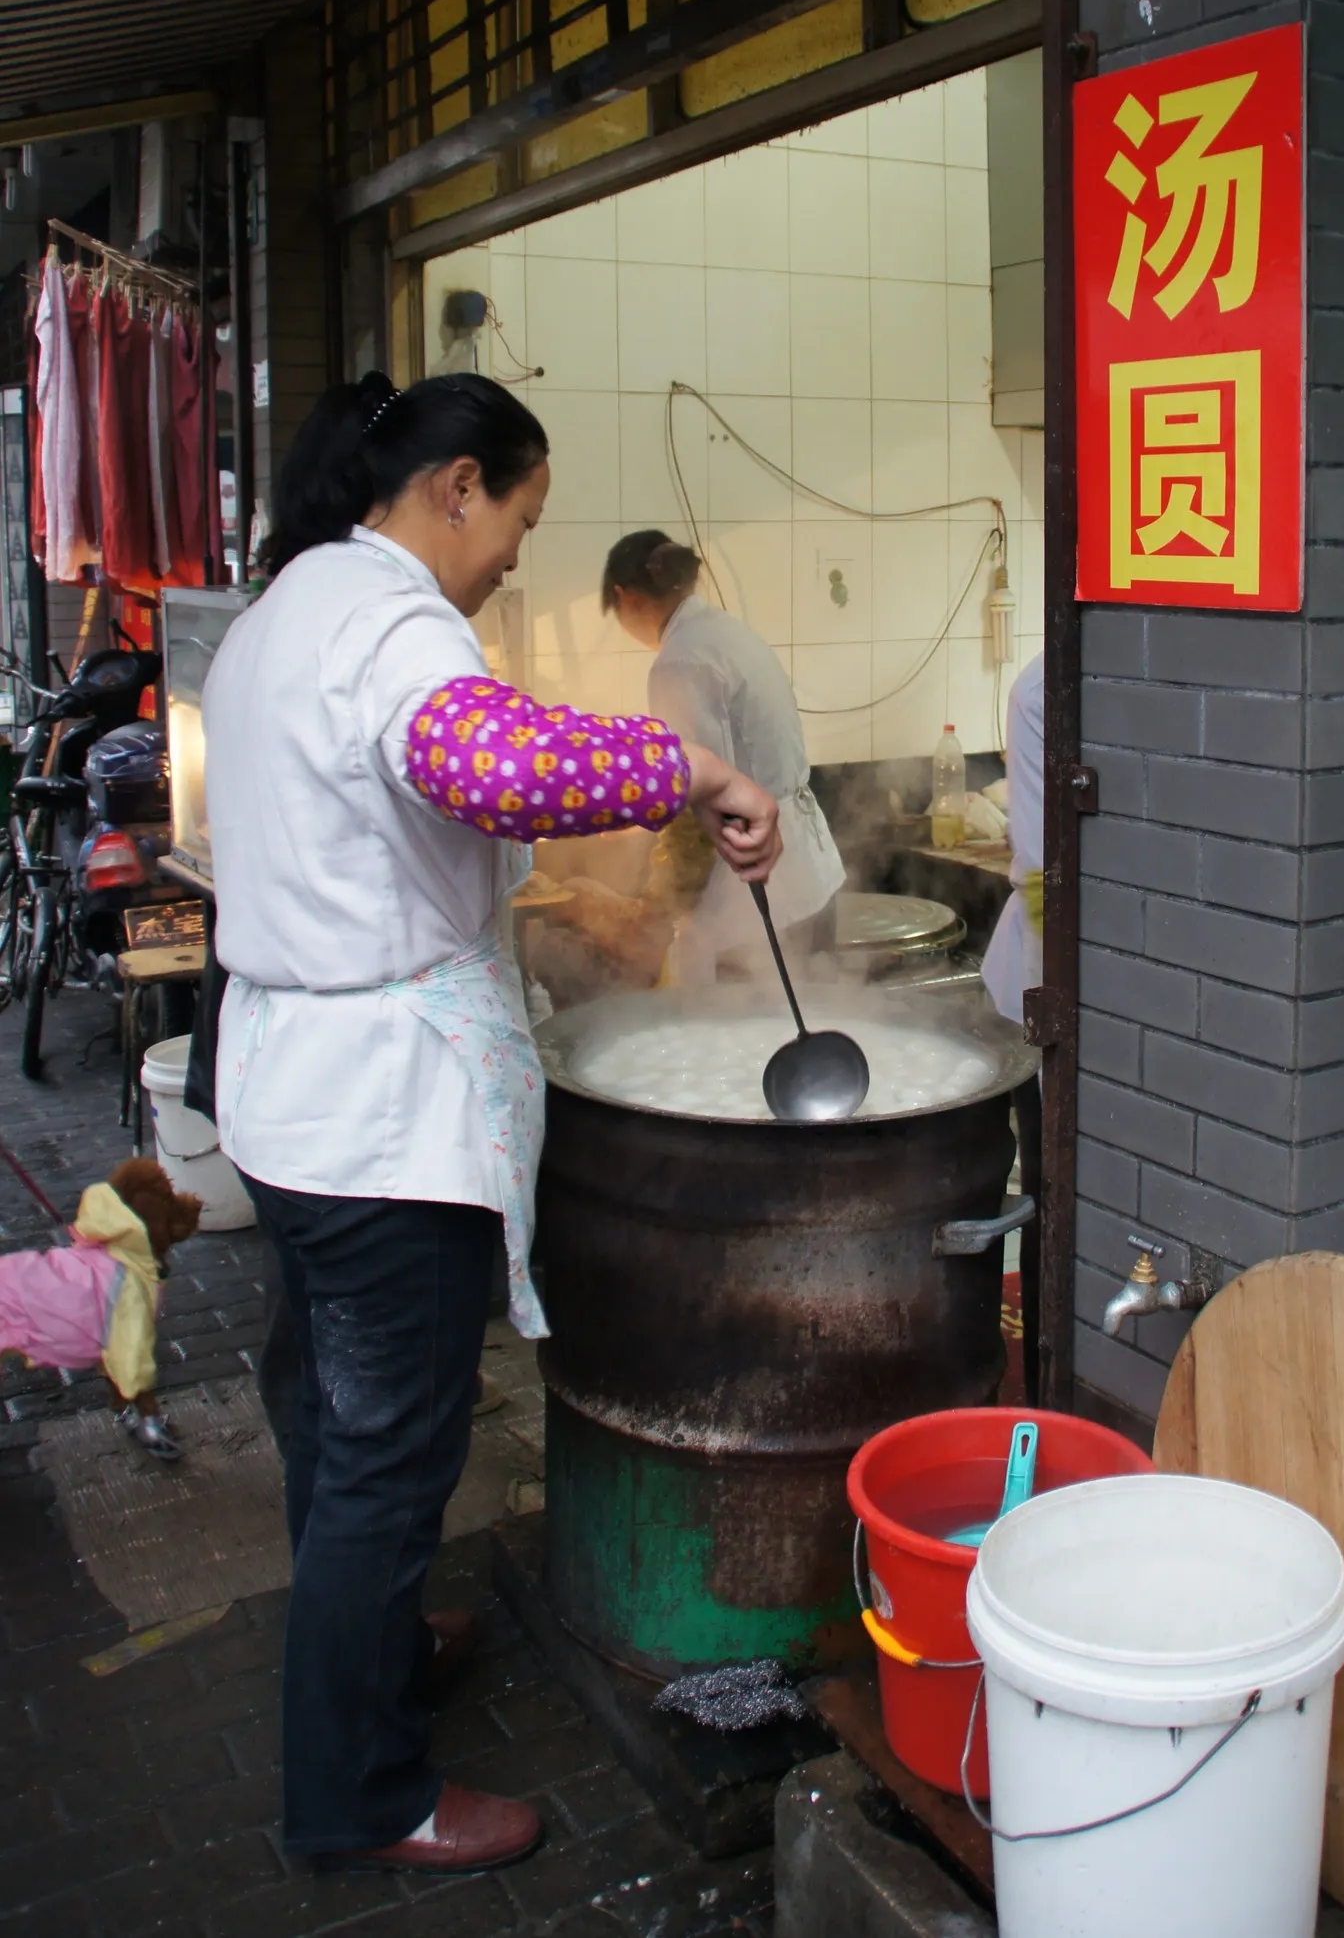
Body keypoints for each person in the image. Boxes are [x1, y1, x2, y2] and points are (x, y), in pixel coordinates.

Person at [202, 372, 780, 1875]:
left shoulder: (288, 607)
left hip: (289, 1093)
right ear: (457, 485)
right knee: (390, 1456)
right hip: (376, 1120)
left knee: (333, 1421)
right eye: (516, 520)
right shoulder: (388, 621)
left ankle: (379, 1646)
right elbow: (498, 766)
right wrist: (696, 766)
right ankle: (362, 1793)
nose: (516, 554)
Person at [595, 530, 844, 985]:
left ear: (623, 596)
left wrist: (657, 905)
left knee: (741, 1044)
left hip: (755, 902)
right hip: (810, 876)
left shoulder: (680, 661)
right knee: (809, 1031)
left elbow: (699, 800)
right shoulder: (726, 633)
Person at [982, 651, 1044, 1027]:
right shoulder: (1037, 696)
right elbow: (1040, 857)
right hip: (1043, 942)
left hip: (1048, 938)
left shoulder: (1035, 695)